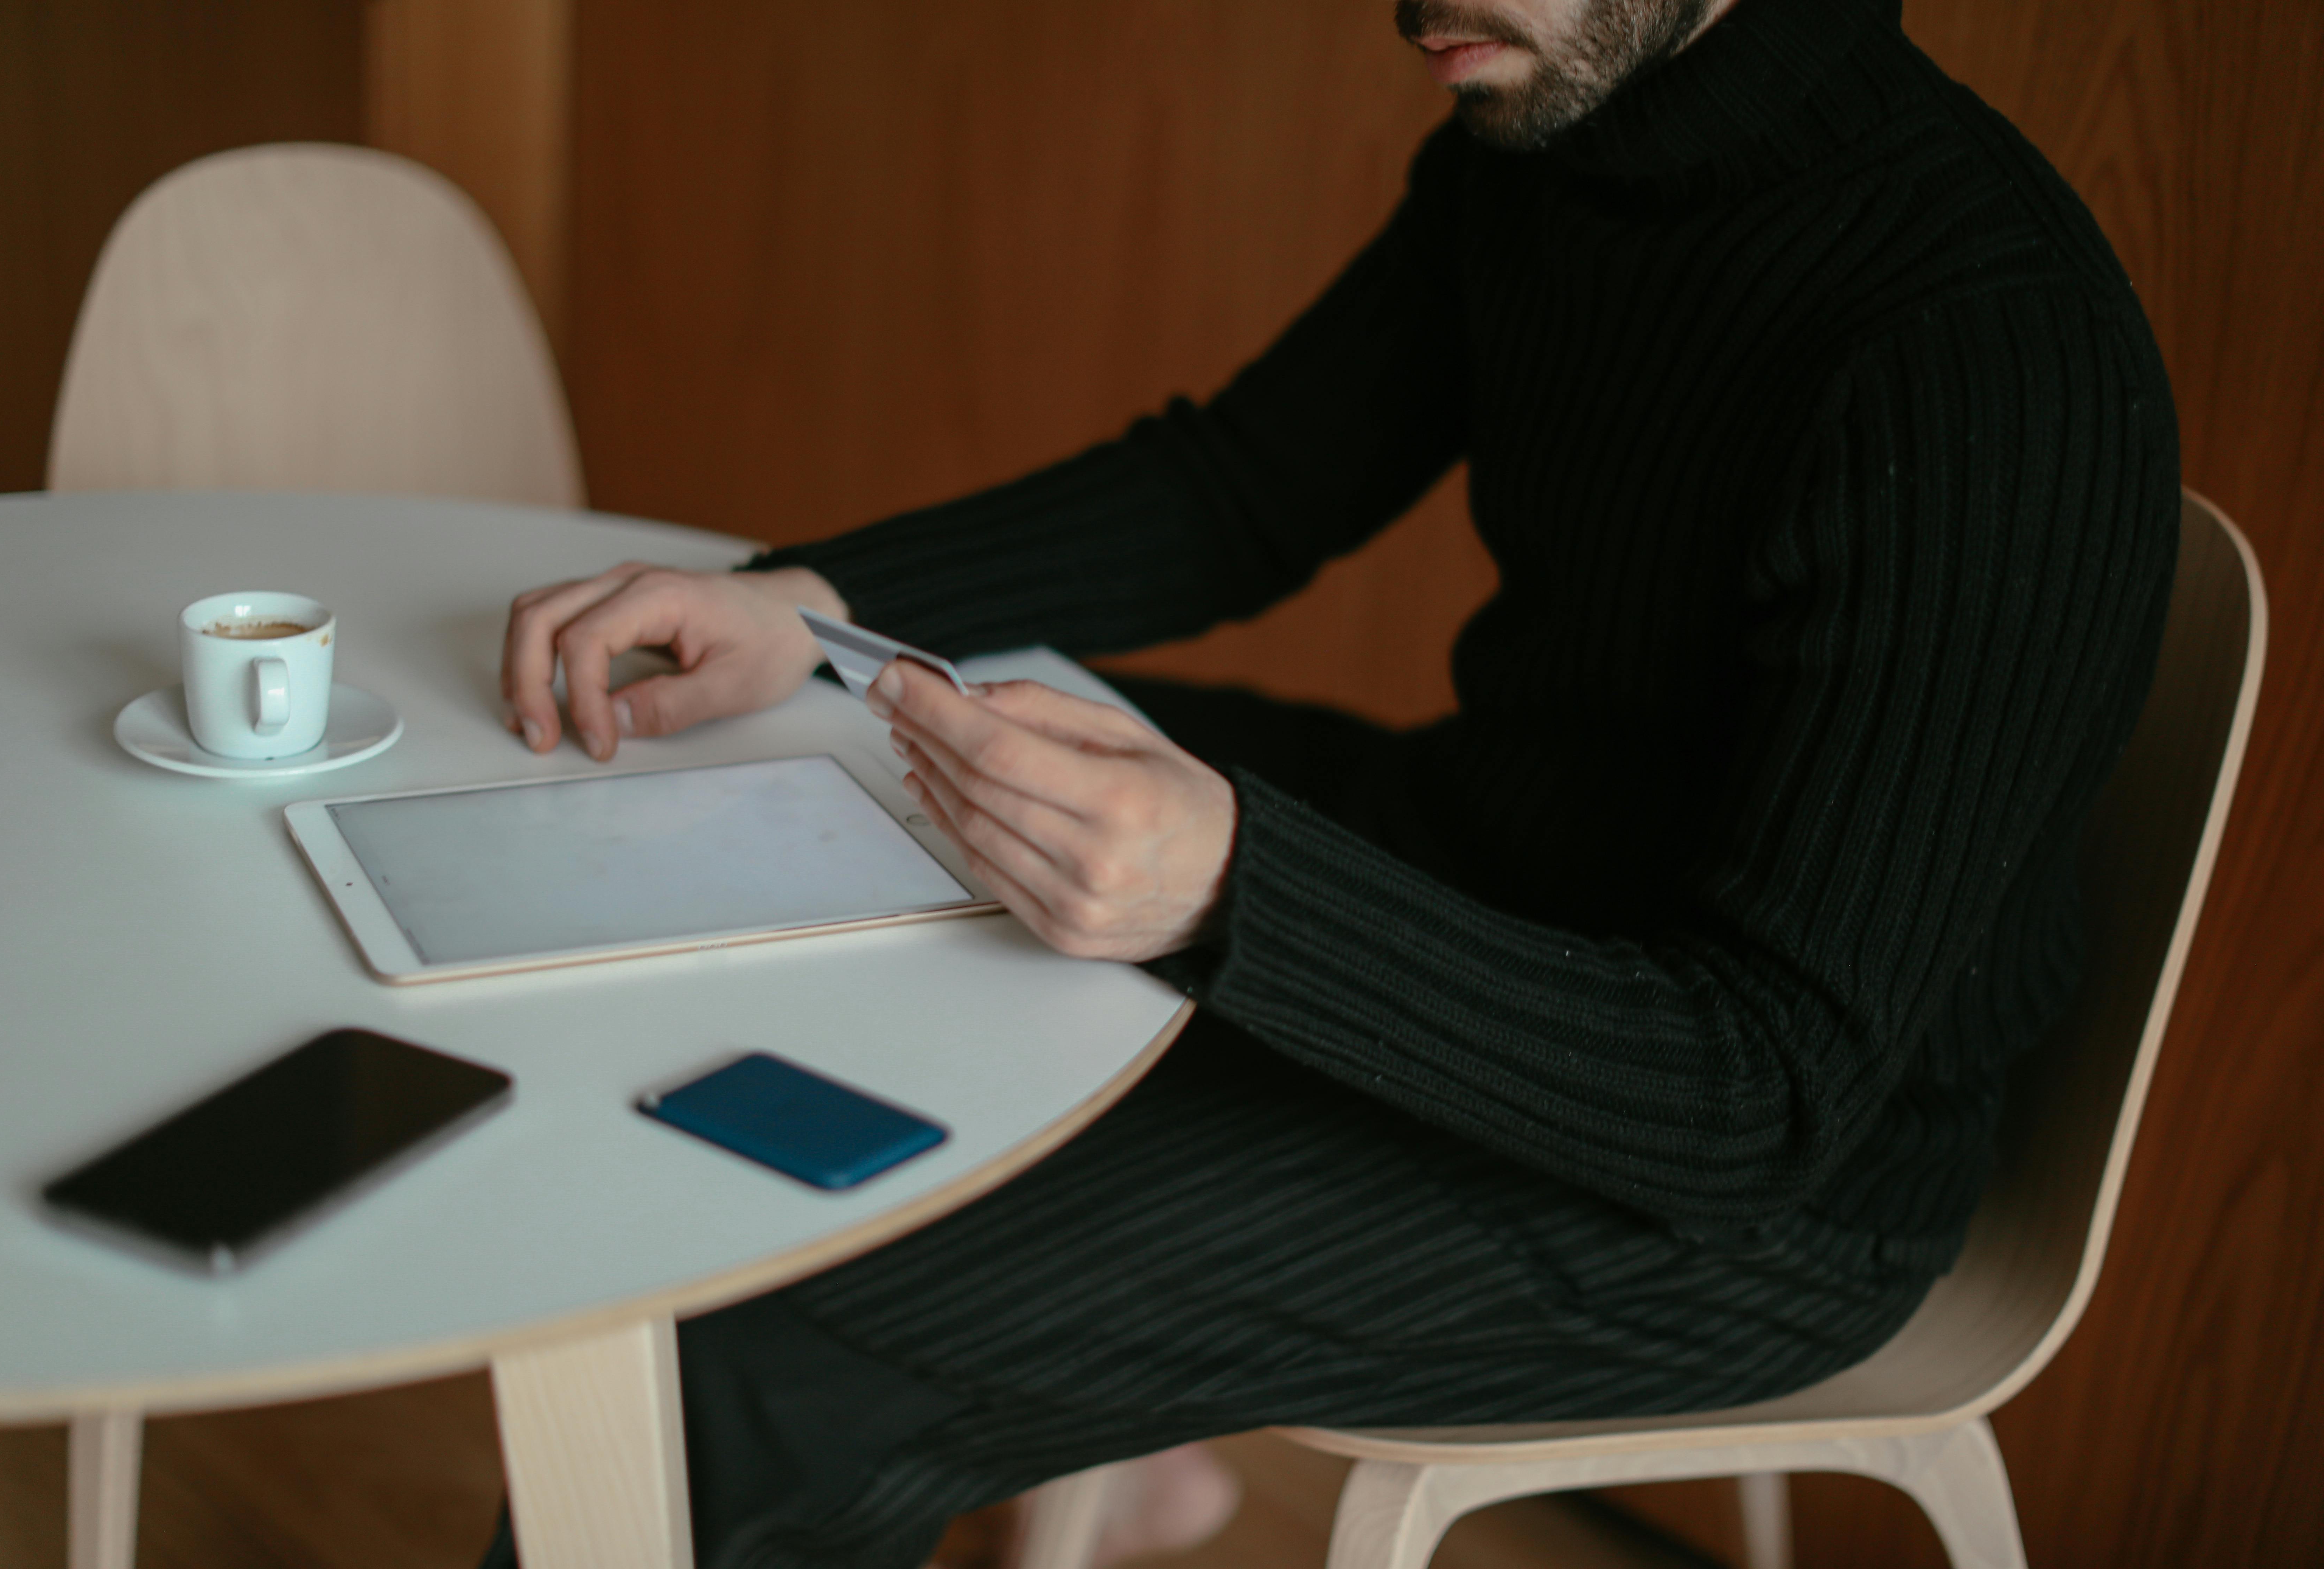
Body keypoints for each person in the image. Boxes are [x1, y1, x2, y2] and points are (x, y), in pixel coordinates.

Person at [487, 0, 2178, 1564]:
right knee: (878, 762)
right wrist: (819, 606)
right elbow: (1246, 487)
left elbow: (1771, 1092)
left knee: (760, 1342)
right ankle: (1113, 1425)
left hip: (1750, 1186)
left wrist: (1237, 888)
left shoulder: (1986, 355)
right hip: (1492, 878)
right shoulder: (1549, 130)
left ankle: (1001, 1382)